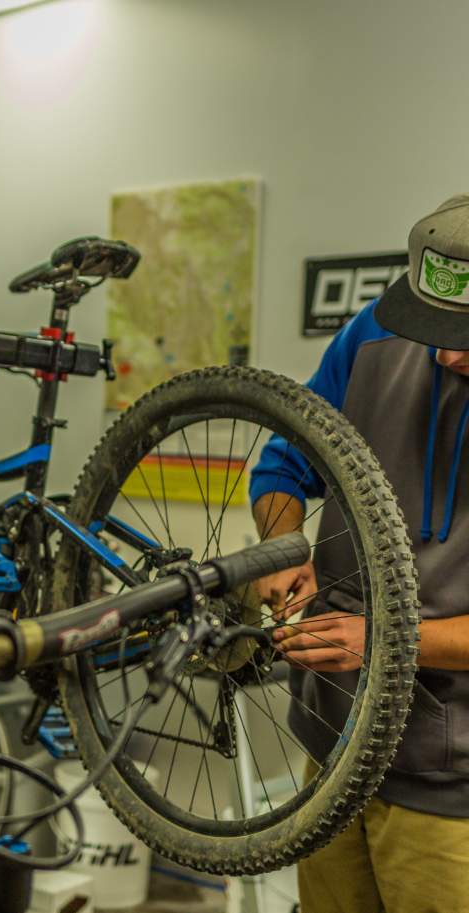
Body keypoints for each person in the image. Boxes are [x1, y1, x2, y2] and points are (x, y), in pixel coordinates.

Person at [249, 193, 469, 913]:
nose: (446, 351)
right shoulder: (375, 334)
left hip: (451, 793)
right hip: (333, 746)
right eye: (431, 324)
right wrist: (282, 547)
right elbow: (283, 462)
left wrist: (385, 642)